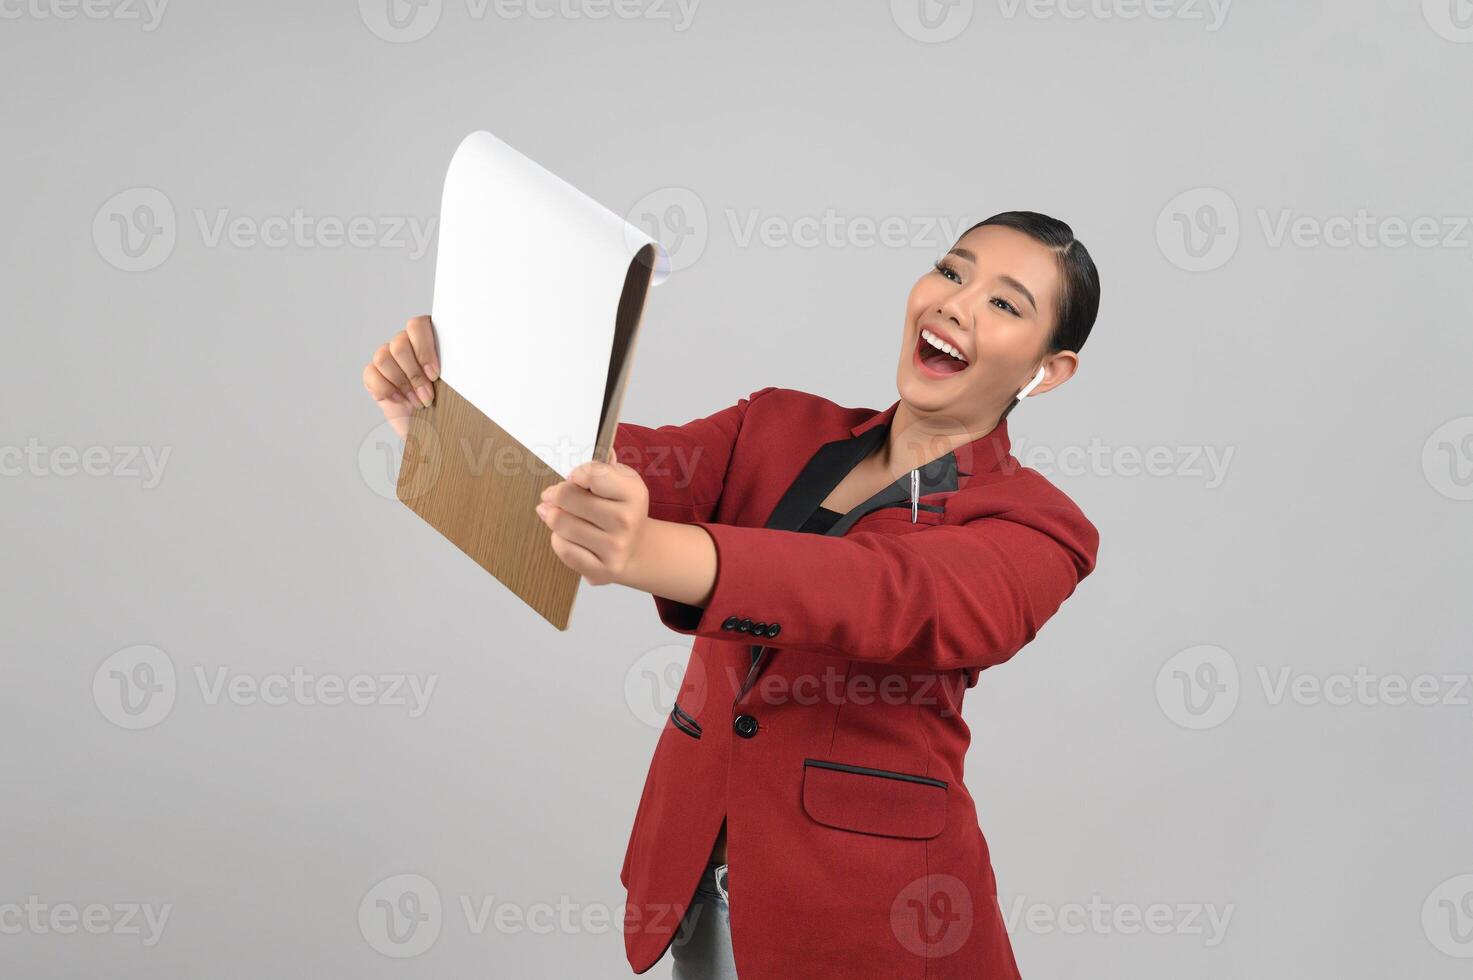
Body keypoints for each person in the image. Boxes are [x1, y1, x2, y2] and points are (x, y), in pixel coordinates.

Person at [363, 211, 1102, 978]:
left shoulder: (1040, 527)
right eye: (951, 272)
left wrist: (651, 551)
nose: (955, 303)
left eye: (1005, 304)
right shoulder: (776, 424)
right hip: (700, 889)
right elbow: (611, 464)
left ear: (1045, 371)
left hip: (877, 923)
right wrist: (453, 414)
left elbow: (888, 593)